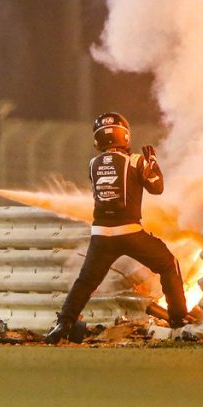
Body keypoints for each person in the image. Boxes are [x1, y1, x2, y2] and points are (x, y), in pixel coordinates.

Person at [46, 112, 189, 343]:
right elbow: (157, 188)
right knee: (167, 263)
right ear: (125, 136)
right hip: (129, 232)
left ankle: (63, 323)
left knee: (85, 282)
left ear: (98, 140)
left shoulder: (93, 164)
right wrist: (152, 163)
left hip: (101, 235)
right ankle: (178, 319)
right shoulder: (135, 160)